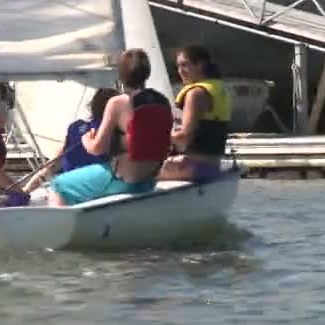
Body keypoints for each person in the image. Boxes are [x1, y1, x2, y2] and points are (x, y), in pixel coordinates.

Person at [47, 48, 174, 206]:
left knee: (58, 185)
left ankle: (60, 229)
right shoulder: (162, 100)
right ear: (147, 73)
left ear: (121, 75)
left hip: (122, 179)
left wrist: (86, 139)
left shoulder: (118, 103)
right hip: (149, 180)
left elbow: (98, 148)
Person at [157, 44, 232, 183]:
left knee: (134, 173)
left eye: (185, 65)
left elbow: (184, 137)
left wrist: (155, 137)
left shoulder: (196, 93)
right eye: (178, 66)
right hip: (212, 166)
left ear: (200, 65)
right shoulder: (218, 87)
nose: (180, 71)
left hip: (194, 168)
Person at [22, 88, 119, 193]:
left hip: (72, 188)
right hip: (99, 189)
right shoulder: (115, 130)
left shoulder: (76, 128)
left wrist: (26, 190)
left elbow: (51, 166)